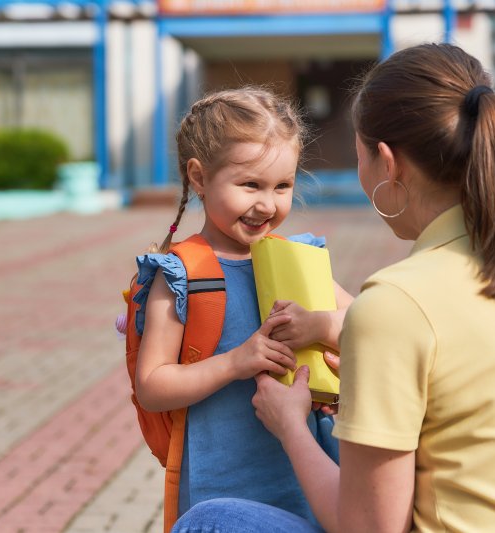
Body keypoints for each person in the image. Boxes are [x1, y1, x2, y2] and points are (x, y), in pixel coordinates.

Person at [172, 43, 495, 532]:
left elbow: (368, 528)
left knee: (212, 520)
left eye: (359, 152)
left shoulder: (397, 303)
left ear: (387, 163)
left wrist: (291, 427)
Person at [134, 87, 352, 531]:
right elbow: (153, 385)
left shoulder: (298, 260)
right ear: (198, 177)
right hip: (221, 496)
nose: (267, 204)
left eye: (283, 186)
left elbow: (370, 324)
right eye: (250, 184)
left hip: (307, 486)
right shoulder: (181, 275)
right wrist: (237, 361)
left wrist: (320, 324)